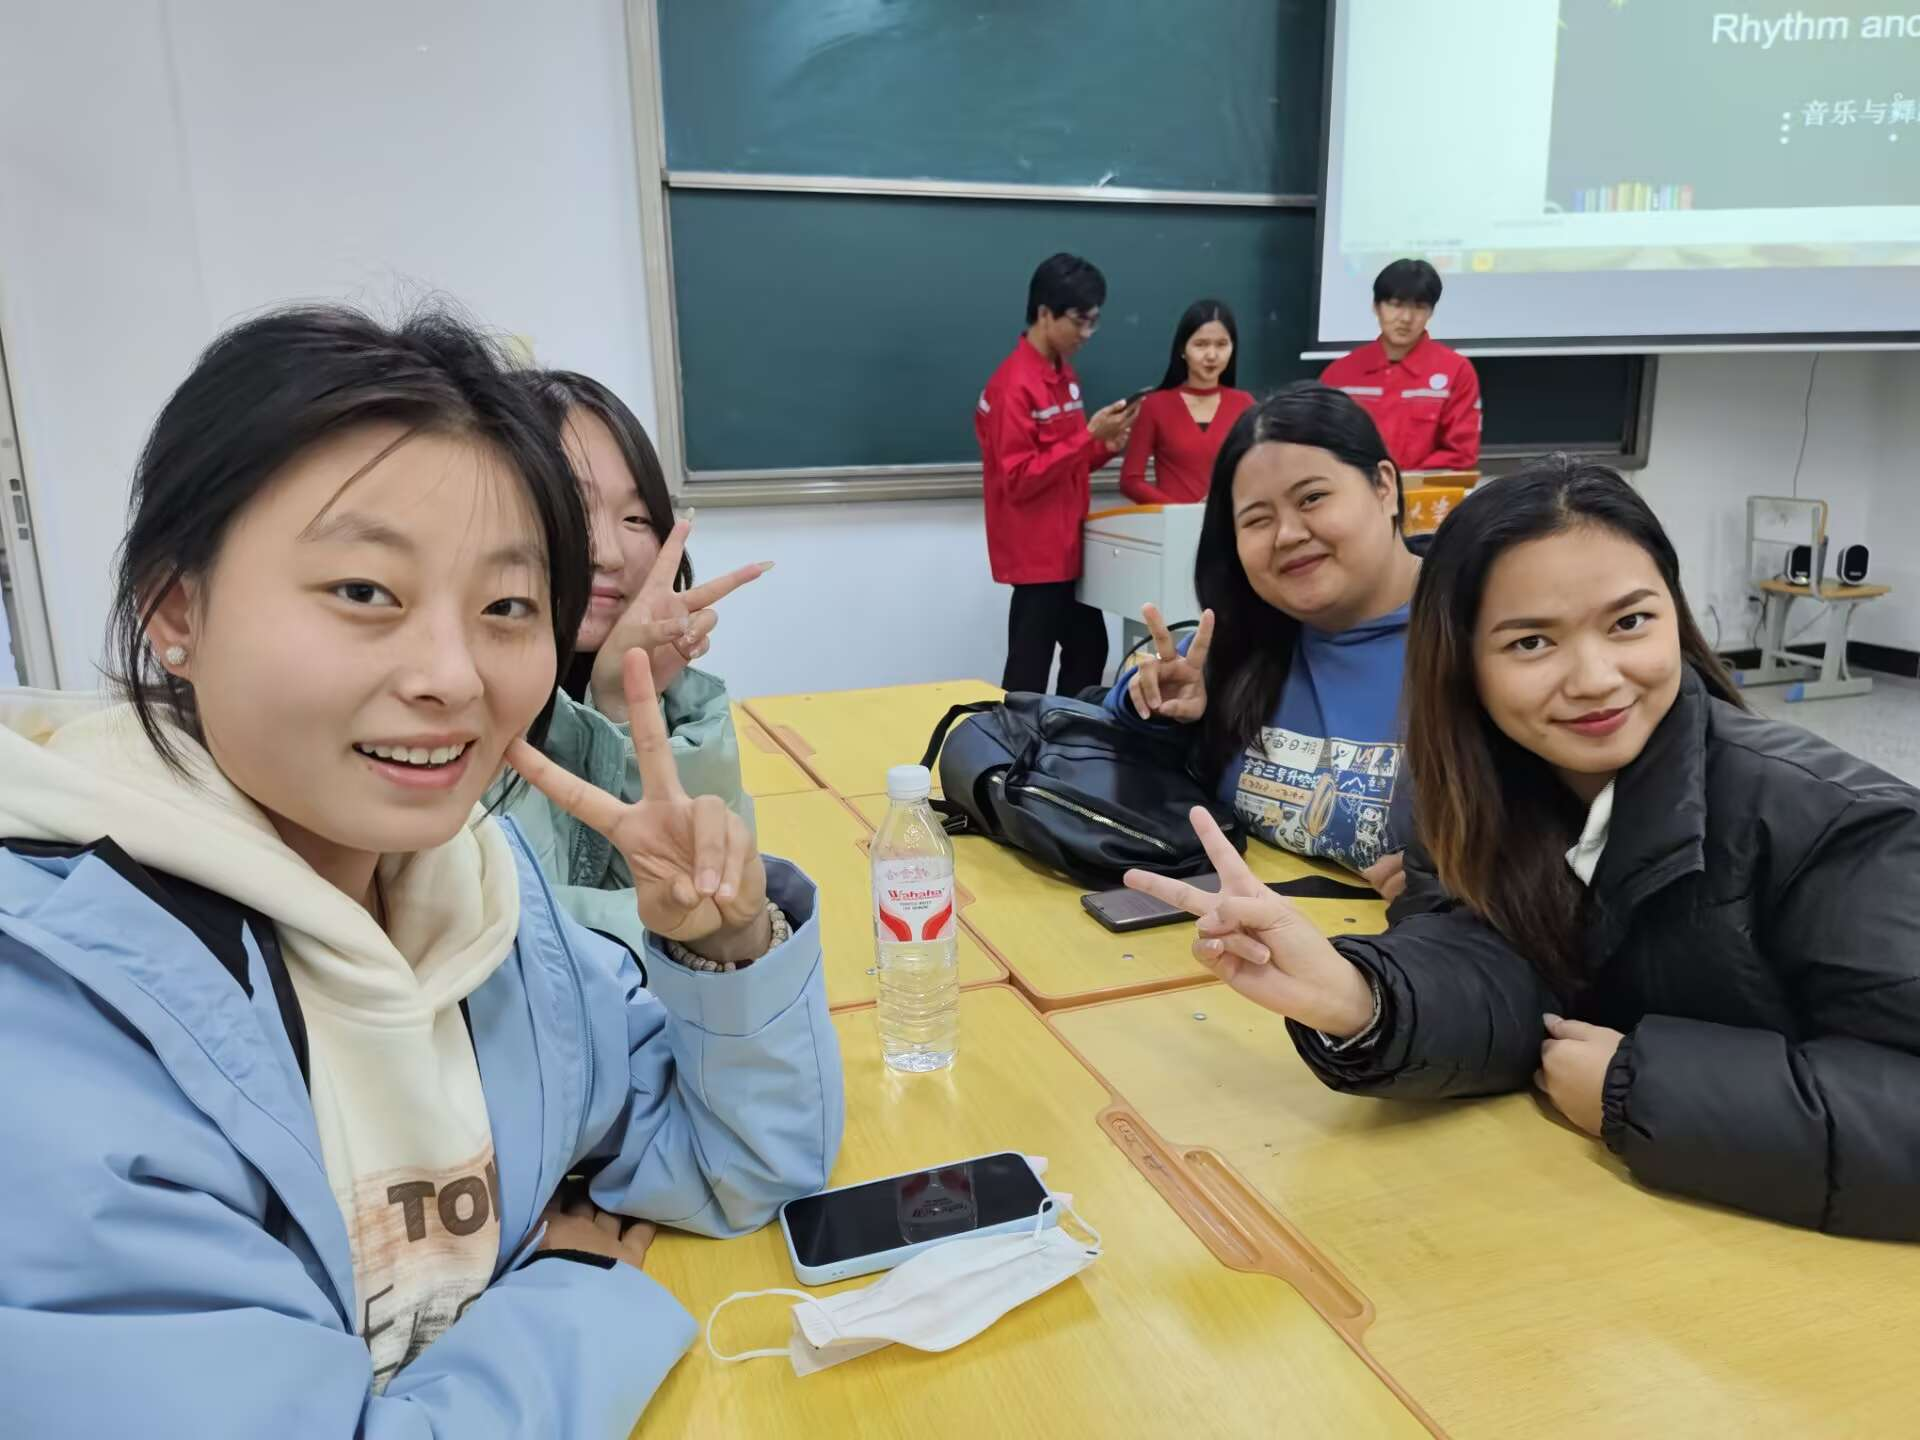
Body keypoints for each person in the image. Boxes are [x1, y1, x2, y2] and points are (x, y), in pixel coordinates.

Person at [0, 305, 845, 1434]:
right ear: (175, 608)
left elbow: (739, 1162)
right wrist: (572, 1294)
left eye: (506, 606)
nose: (453, 675)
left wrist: (726, 945)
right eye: (365, 592)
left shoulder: (483, 907)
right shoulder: (54, 1023)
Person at [1127, 458, 1920, 1240]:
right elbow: (1494, 962)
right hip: (1640, 1240)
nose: (1595, 678)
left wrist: (1635, 1088)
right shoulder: (1466, 785)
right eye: (1532, 642)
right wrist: (1361, 998)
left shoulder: (1841, 826)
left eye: (1630, 622)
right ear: (1461, 663)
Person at [1107, 384, 1420, 897]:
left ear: (1384, 486)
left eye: (1312, 498)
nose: (1287, 534)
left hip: (1403, 944)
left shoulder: (1490, 635)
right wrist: (1157, 713)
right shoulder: (1242, 644)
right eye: (1257, 519)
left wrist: (1479, 882)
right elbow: (1113, 744)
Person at [506, 371, 767, 955]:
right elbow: (521, 942)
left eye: (637, 519)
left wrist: (623, 704)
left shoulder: (660, 698)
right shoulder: (461, 710)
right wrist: (706, 937)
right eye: (570, 508)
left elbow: (705, 906)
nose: (606, 552)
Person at [976, 252, 1139, 694]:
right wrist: (1088, 438)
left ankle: (1068, 730)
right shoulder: (1012, 387)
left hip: (1069, 546)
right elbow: (1019, 479)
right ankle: (1017, 738)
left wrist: (1105, 446)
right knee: (1029, 668)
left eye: (1093, 321)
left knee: (1089, 650)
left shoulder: (1064, 375)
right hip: (1037, 555)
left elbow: (1067, 463)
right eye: (1079, 321)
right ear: (1045, 313)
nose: (1086, 333)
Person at [1320, 258, 1481, 474]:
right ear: (1376, 307)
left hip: (1423, 492)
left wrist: (1400, 482)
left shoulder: (1456, 371)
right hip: (1355, 488)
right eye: (1395, 305)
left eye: (1419, 307)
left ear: (1431, 312)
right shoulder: (1340, 374)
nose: (1406, 318)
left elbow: (1461, 455)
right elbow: (1320, 446)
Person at [1118, 299, 1255, 506]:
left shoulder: (1244, 404)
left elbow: (1259, 472)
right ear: (1183, 349)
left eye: (1221, 344)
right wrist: (1180, 512)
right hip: (1173, 522)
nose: (1212, 355)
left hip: (1229, 521)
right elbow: (1130, 480)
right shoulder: (1155, 406)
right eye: (1201, 344)